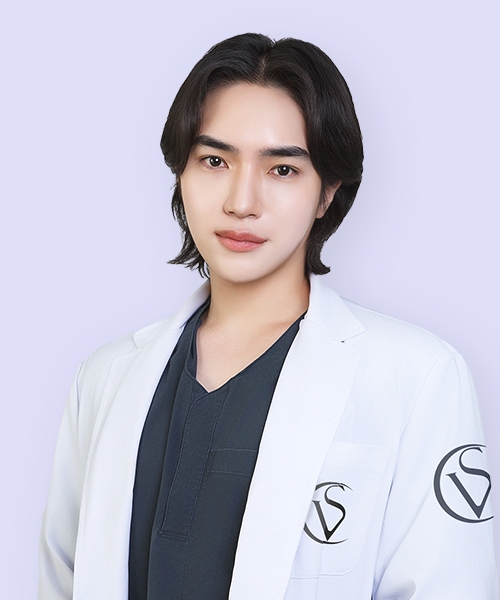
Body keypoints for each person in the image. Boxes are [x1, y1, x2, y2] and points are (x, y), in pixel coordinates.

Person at [38, 33, 498, 600]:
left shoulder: (418, 377)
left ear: (327, 192)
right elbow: (62, 579)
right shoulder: (105, 377)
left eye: (281, 169)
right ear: (181, 173)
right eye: (214, 161)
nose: (241, 201)